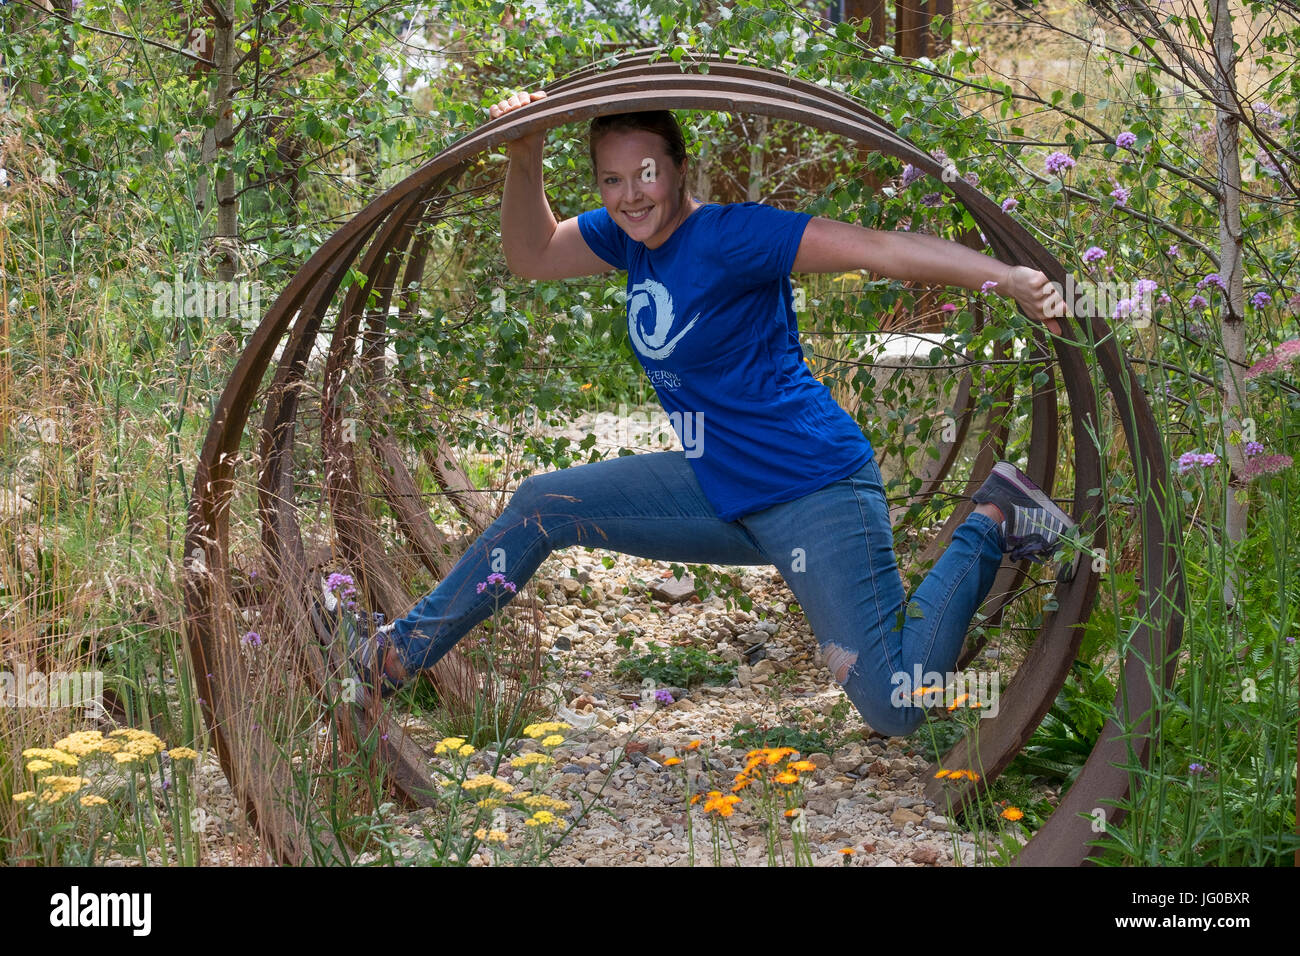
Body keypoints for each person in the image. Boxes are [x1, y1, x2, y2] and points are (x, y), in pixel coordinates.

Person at [320, 91, 1075, 737]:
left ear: (680, 168)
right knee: (540, 506)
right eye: (610, 179)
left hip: (811, 490)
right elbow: (533, 255)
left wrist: (1005, 276)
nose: (629, 193)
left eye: (645, 172)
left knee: (894, 706)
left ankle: (995, 518)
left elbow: (877, 249)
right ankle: (395, 654)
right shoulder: (626, 236)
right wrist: (525, 155)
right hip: (719, 488)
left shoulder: (732, 236)